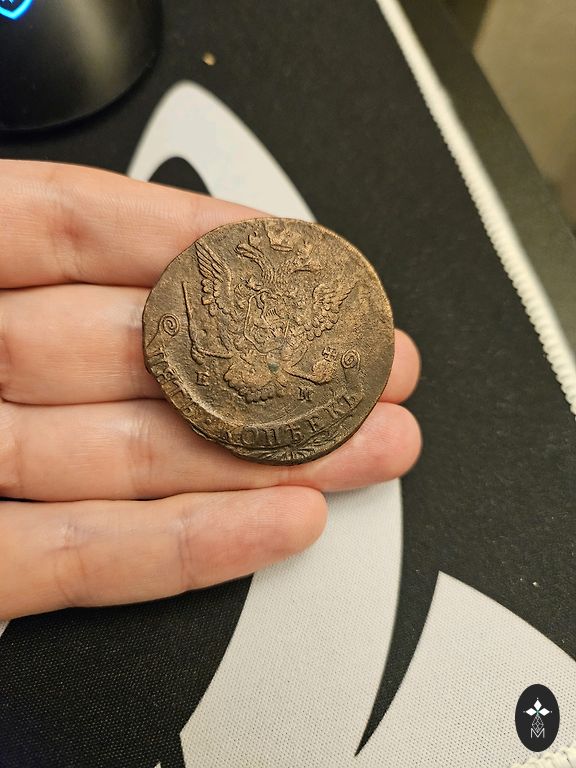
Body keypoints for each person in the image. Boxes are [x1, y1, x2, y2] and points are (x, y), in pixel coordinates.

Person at [0, 160, 421, 619]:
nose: (272, 299)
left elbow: (325, 304)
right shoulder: (248, 303)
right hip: (249, 373)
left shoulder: (294, 310)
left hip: (271, 378)